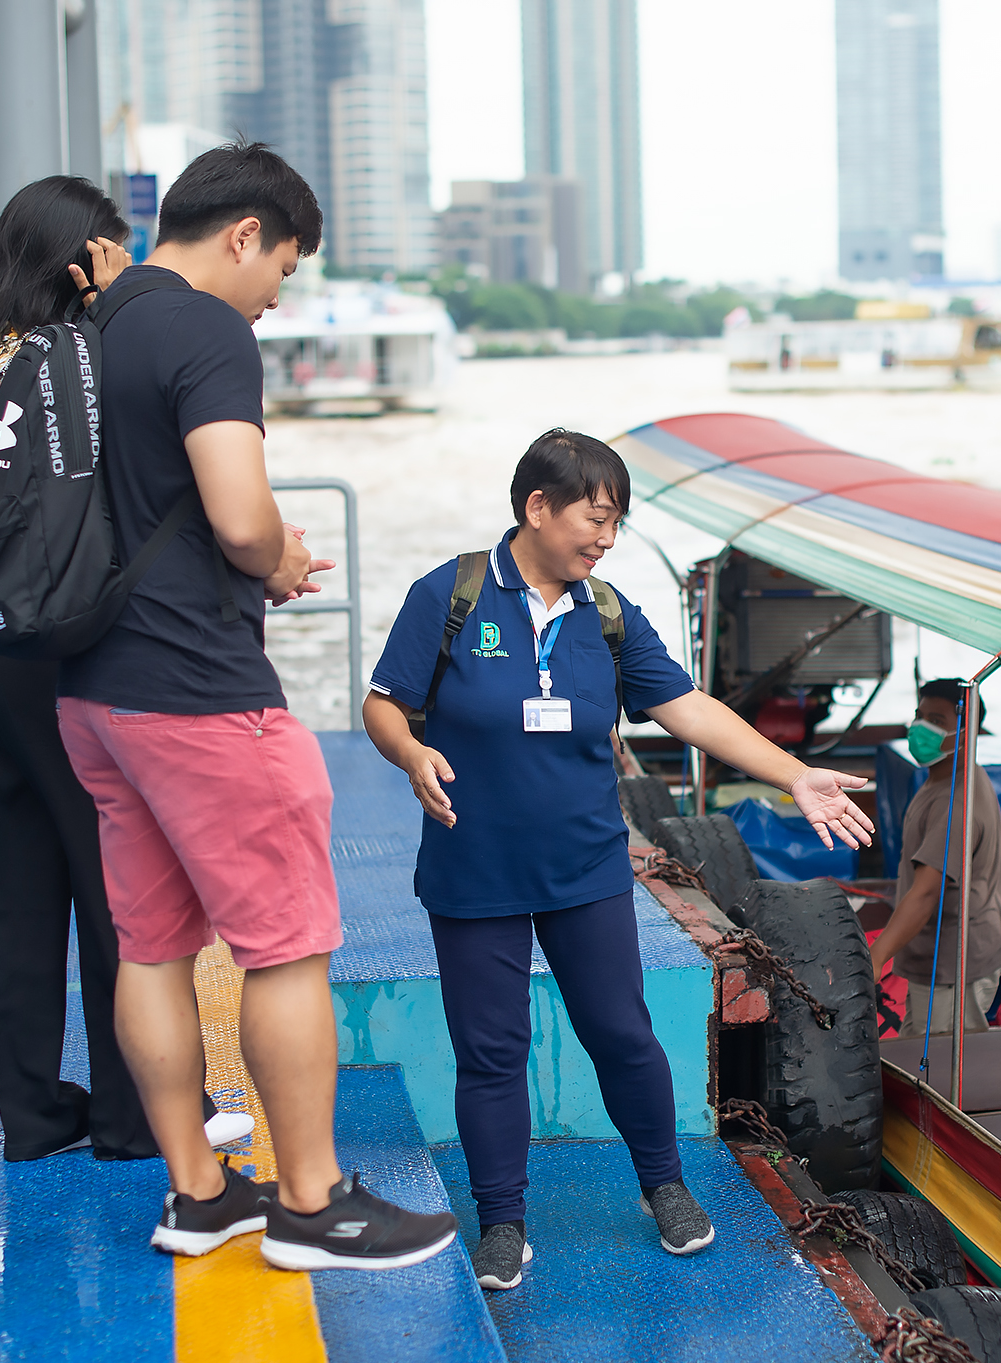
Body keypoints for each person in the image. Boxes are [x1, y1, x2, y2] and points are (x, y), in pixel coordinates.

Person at [50, 144, 456, 1271]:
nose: (277, 296)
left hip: (92, 694)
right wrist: (277, 558)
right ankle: (313, 1204)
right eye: (281, 265)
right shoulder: (201, 329)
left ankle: (197, 1193)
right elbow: (236, 515)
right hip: (199, 694)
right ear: (241, 233)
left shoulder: (89, 326)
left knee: (149, 948)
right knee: (285, 949)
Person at [362, 430, 876, 1292]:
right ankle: (502, 1220)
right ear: (537, 508)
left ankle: (664, 1185)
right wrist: (411, 754)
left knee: (623, 1033)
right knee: (490, 1049)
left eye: (617, 523)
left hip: (584, 867)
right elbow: (385, 706)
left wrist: (795, 776)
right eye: (594, 518)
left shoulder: (605, 613)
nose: (605, 538)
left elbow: (686, 707)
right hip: (473, 865)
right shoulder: (448, 595)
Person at [0, 177, 247, 1167]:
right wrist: (115, 298)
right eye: (105, 250)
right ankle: (129, 1117)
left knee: (20, 897)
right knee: (122, 891)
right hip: (58, 651)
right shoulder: (72, 354)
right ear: (76, 257)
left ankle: (32, 1114)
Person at [868, 678, 1001, 1089]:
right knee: (915, 1052)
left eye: (936, 720)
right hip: (934, 956)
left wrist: (876, 956)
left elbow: (927, 891)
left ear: (968, 731)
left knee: (950, 1077)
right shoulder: (943, 777)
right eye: (919, 716)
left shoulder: (955, 798)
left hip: (956, 963)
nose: (921, 728)